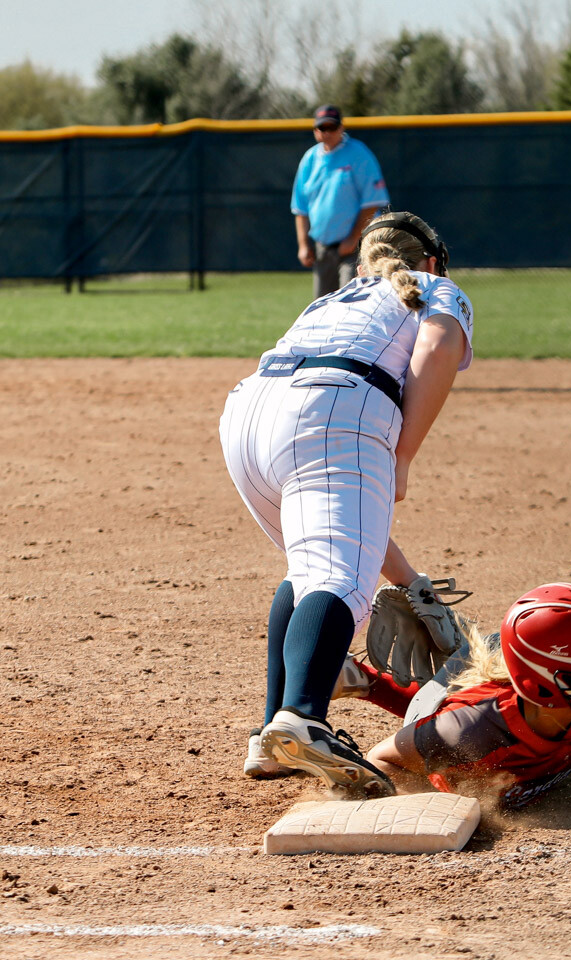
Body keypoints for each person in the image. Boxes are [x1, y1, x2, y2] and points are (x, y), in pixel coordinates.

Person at [218, 210, 474, 797]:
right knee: (336, 578)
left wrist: (410, 582)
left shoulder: (329, 302)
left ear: (364, 264)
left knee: (313, 567)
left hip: (249, 418)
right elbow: (438, 346)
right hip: (335, 406)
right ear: (431, 262)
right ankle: (302, 720)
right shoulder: (434, 287)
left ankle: (273, 732)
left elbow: (357, 524)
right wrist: (403, 455)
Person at [324, 518, 571, 809]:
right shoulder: (469, 730)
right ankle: (365, 680)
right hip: (464, 713)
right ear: (548, 687)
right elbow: (381, 759)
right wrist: (438, 806)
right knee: (444, 729)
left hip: (526, 680)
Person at [291, 105, 390, 298]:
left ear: (341, 128)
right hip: (323, 246)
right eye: (322, 127)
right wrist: (303, 245)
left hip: (357, 245)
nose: (327, 132)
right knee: (323, 305)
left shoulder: (358, 154)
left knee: (352, 301)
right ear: (315, 130)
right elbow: (300, 208)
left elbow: (372, 201)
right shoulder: (310, 159)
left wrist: (353, 238)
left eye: (332, 127)